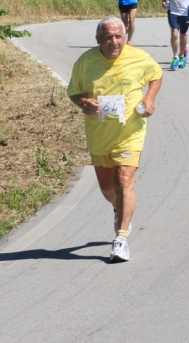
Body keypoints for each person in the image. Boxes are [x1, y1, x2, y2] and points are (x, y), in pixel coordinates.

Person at [67, 17, 163, 262]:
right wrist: (83, 102)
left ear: (125, 36)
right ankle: (118, 207)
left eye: (118, 36)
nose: (113, 42)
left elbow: (156, 75)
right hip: (99, 135)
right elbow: (74, 91)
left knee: (124, 181)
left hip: (130, 133)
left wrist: (149, 99)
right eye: (108, 37)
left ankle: (120, 239)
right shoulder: (85, 62)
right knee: (108, 189)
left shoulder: (138, 57)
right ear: (98, 39)